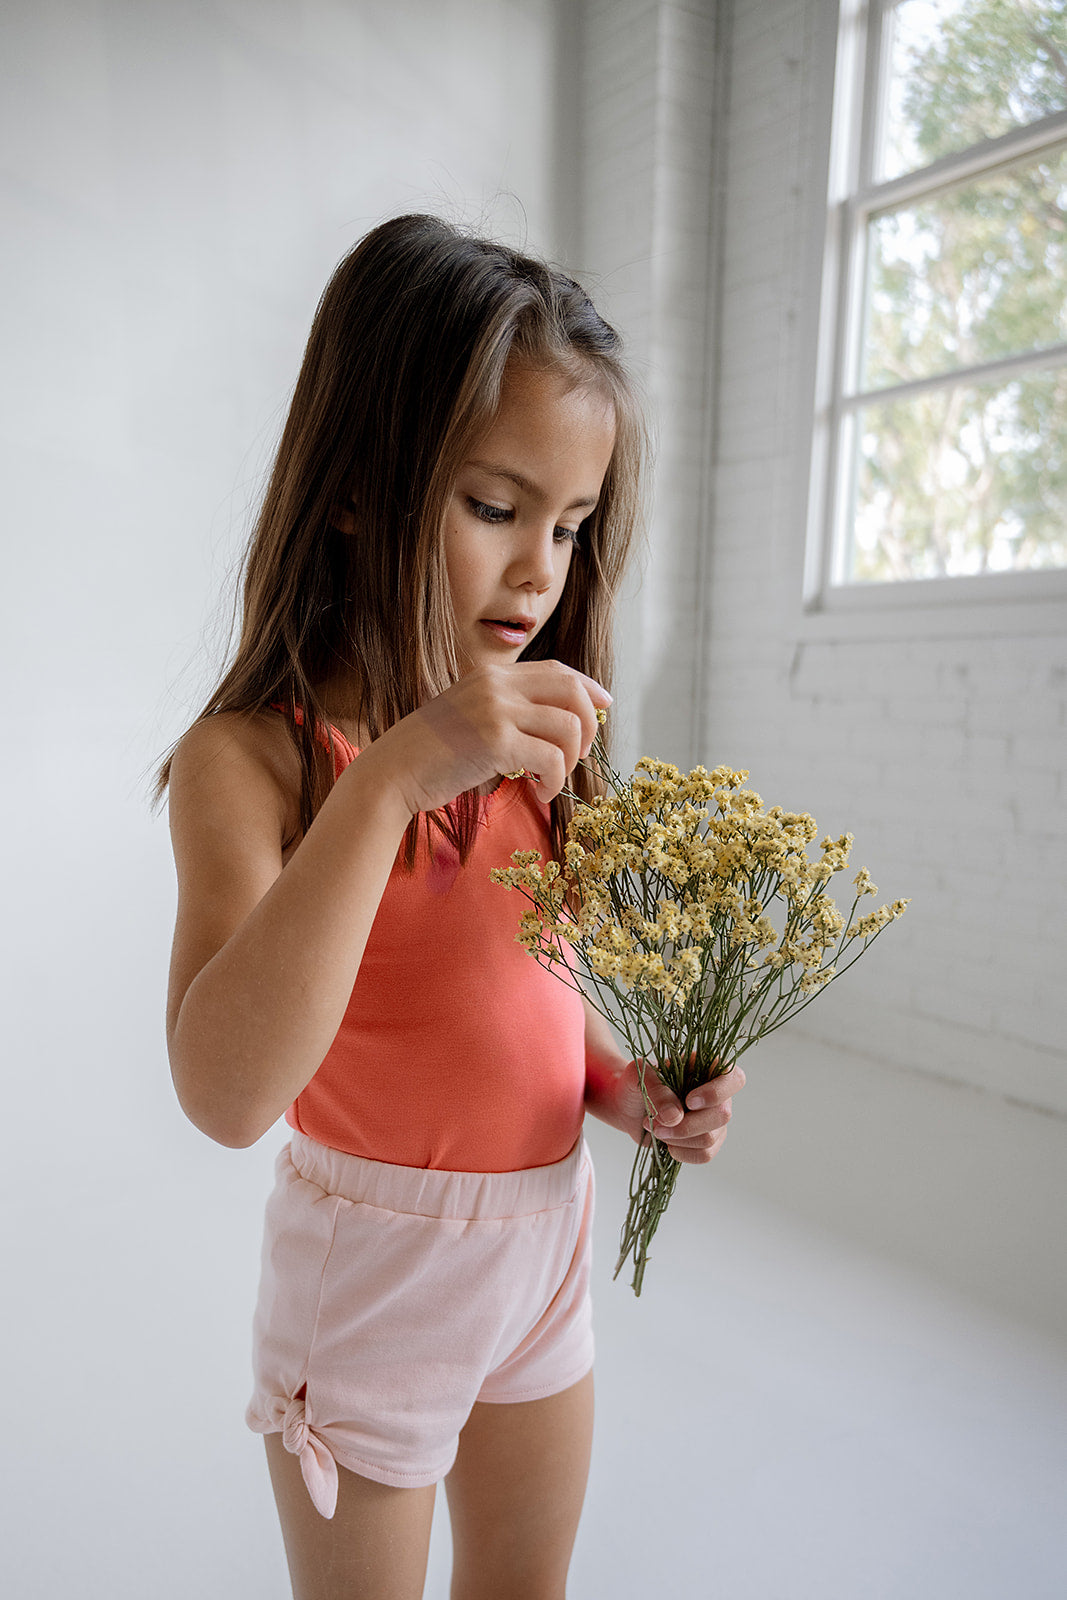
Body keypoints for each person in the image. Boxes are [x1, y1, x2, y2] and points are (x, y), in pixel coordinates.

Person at [156, 213, 743, 1600]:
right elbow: (228, 1094)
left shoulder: (542, 745)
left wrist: (630, 1090)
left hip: (544, 1256)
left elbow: (519, 1005)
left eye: (573, 524)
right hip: (372, 1284)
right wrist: (395, 777)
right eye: (496, 507)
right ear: (359, 484)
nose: (543, 570)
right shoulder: (254, 761)